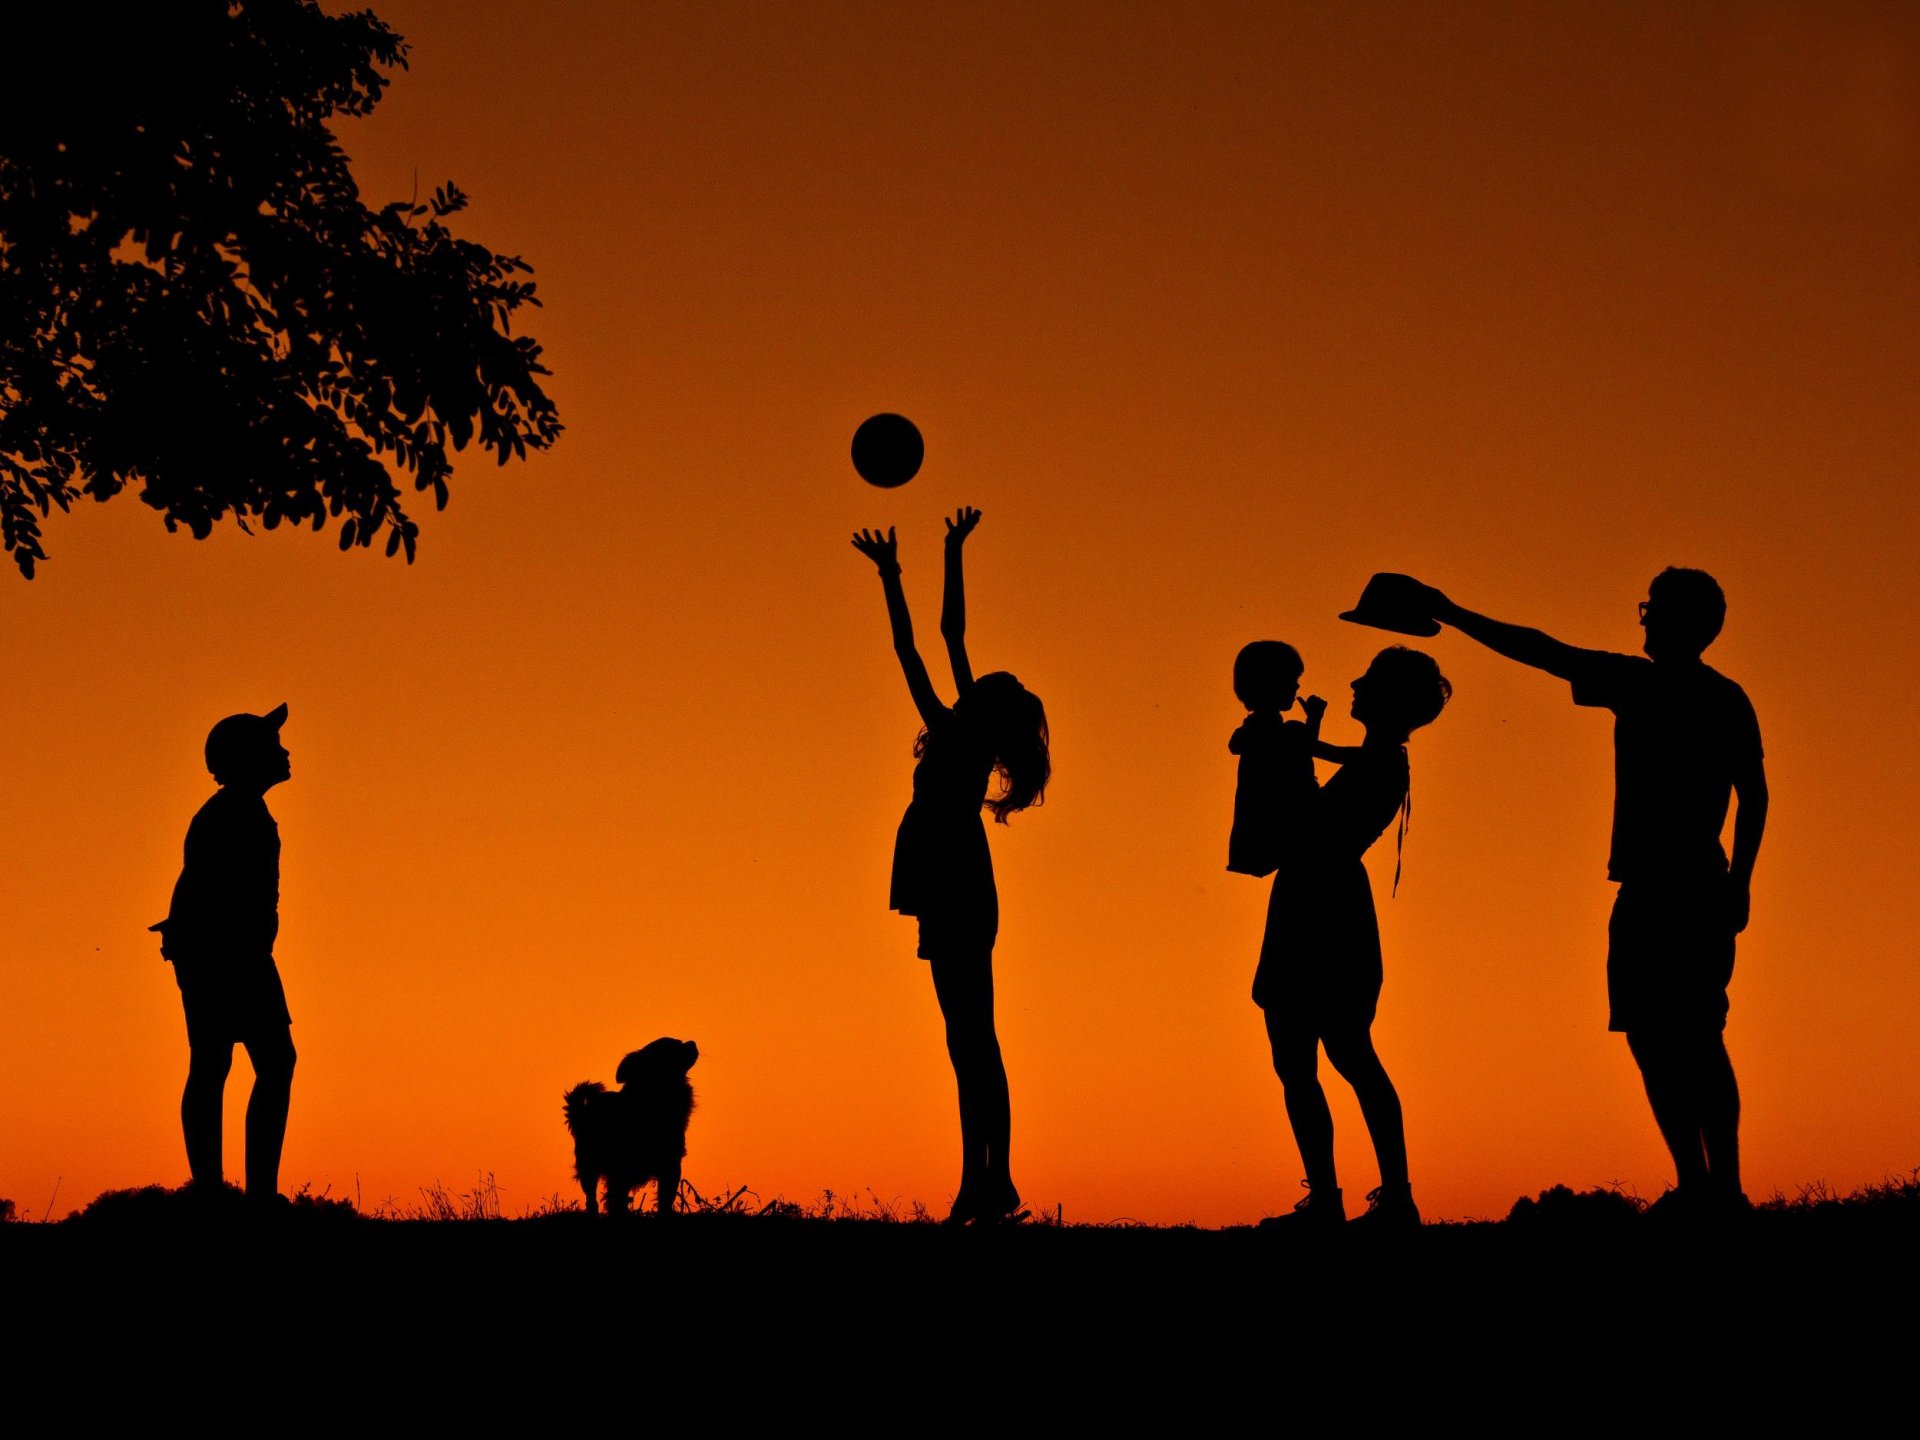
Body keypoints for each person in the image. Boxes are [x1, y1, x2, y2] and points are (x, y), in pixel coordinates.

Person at [1407, 568, 1767, 1215]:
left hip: (1677, 888)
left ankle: (1719, 1190)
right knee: (1664, 1037)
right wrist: (1738, 882)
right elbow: (1755, 795)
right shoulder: (1705, 694)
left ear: (1685, 622)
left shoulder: (1657, 687)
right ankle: (1705, 1188)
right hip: (1674, 887)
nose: (1645, 619)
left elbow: (1542, 650)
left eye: (1654, 609)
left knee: (1684, 1038)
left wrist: (1451, 612)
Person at [851, 508, 1050, 1225]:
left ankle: (987, 1184)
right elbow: (946, 637)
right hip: (955, 873)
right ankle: (990, 1183)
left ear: (984, 704)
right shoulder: (966, 731)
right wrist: (945, 553)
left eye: (982, 682)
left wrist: (896, 574)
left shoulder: (956, 732)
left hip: (953, 876)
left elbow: (921, 644)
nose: (972, 677)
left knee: (970, 1039)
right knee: (971, 1038)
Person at [1257, 647, 1451, 1232]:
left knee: (1330, 1057)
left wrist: (1290, 751)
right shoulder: (1380, 758)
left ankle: (1368, 1198)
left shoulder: (1382, 764)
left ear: (1388, 698)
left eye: (1366, 679)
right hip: (1325, 903)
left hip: (1321, 907)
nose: (1353, 682)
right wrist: (1305, 740)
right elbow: (1325, 771)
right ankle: (1361, 1198)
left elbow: (1312, 819)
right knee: (1321, 1057)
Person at [151, 704, 297, 1206]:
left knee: (240, 1063)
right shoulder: (231, 814)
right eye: (273, 745)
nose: (285, 752)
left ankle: (238, 1194)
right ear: (249, 757)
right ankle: (227, 1195)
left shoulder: (240, 811)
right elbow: (202, 888)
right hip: (226, 955)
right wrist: (203, 949)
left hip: (233, 953)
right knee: (237, 1063)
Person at [1226, 640, 1331, 877]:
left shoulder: (1265, 729)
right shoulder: (1268, 730)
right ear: (1270, 684)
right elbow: (1313, 748)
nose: (1297, 686)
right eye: (1291, 680)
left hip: (1265, 832)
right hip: (1271, 829)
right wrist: (1314, 720)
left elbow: (1305, 747)